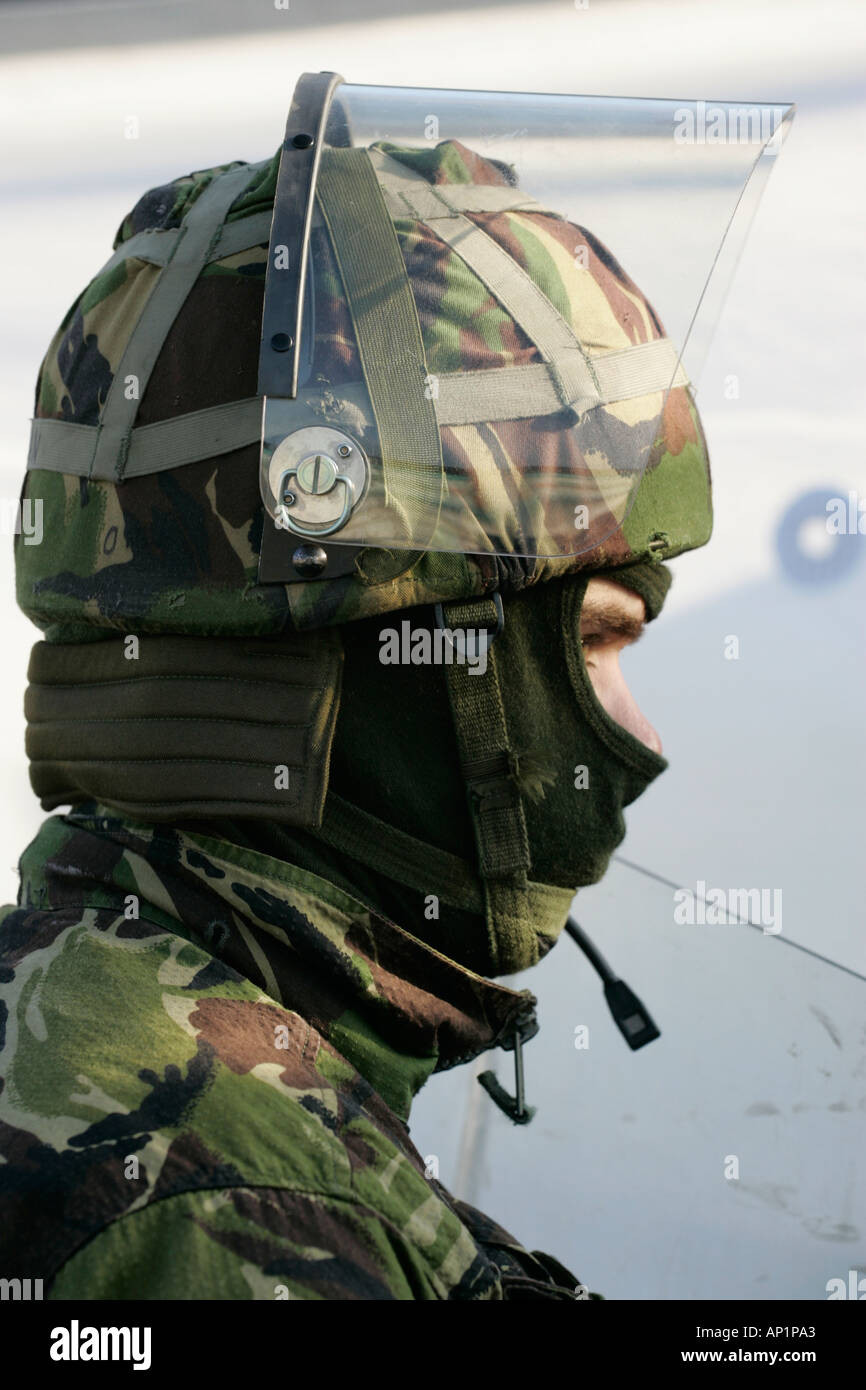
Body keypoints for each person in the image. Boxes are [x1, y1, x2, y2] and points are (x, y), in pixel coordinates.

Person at [0, 82, 715, 1299]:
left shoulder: (87, 1002)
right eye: (592, 645)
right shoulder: (220, 1202)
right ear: (392, 659)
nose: (641, 738)